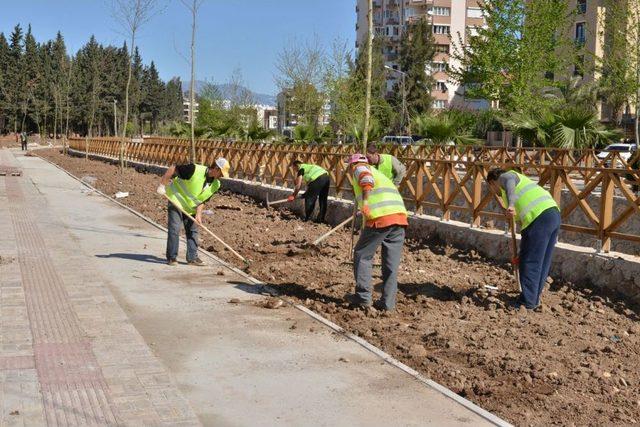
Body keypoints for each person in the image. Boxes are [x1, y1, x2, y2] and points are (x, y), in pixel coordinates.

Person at [487, 168, 561, 310]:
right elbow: (525, 229)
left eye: (491, 188)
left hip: (539, 218)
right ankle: (533, 298)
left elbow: (509, 182)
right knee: (541, 260)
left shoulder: (507, 177)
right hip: (552, 214)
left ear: (492, 183)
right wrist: (521, 254)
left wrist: (511, 205)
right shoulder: (518, 184)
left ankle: (527, 302)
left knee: (531, 261)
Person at [346, 153, 408, 311]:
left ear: (352, 164)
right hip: (400, 218)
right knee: (391, 263)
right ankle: (387, 304)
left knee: (362, 255)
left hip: (381, 217)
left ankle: (363, 298)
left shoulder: (360, 167)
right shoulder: (379, 173)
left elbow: (366, 181)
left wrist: (365, 203)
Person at [156, 158, 230, 266]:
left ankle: (192, 258)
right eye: (221, 173)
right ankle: (172, 258)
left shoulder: (216, 184)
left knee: (193, 230)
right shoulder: (194, 170)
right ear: (216, 168)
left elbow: (202, 199)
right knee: (175, 228)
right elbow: (173, 168)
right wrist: (162, 184)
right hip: (176, 200)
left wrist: (199, 214)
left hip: (190, 208)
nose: (222, 176)